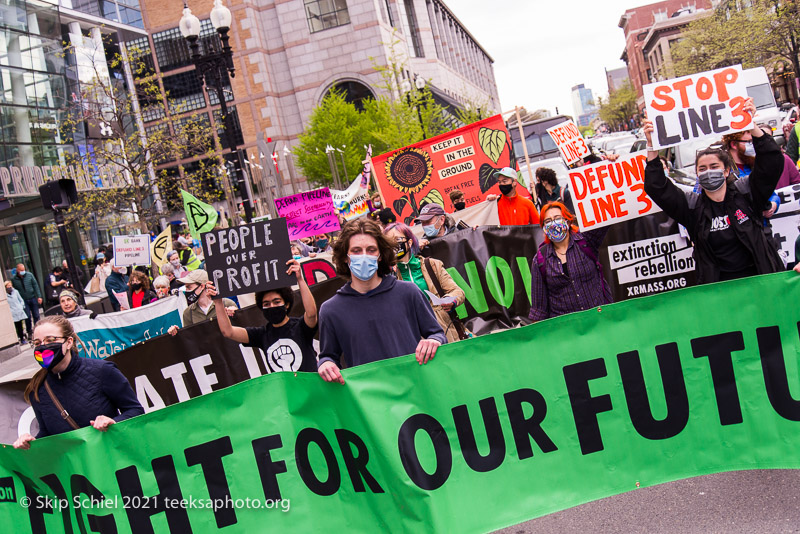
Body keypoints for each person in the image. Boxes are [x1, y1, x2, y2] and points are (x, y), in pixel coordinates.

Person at [642, 98, 785, 283]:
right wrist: (652, 146)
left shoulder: (747, 194)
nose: (708, 172)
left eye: (714, 166)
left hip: (760, 284)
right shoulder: (692, 208)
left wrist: (752, 126)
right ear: (697, 174)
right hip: (719, 295)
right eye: (702, 169)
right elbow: (657, 187)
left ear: (726, 171)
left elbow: (771, 163)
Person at [317, 218, 446, 385]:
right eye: (356, 251)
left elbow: (437, 333)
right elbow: (328, 356)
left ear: (380, 255)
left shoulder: (409, 293)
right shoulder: (331, 310)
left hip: (417, 392)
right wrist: (325, 363)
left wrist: (434, 341)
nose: (364, 256)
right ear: (345, 257)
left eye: (371, 250)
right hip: (370, 402)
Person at [13, 315, 144, 448]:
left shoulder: (103, 371)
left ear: (69, 342)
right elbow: (47, 433)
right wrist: (31, 442)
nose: (43, 347)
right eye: (37, 343)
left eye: (50, 340)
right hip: (75, 467)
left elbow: (135, 410)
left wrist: (114, 422)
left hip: (111, 458)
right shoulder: (37, 388)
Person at [211, 259, 319, 373]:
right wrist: (218, 302)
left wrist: (300, 279)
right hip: (284, 390)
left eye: (276, 302)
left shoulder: (300, 327)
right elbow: (228, 332)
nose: (272, 306)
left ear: (286, 304)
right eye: (266, 304)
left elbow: (311, 314)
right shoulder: (262, 334)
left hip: (310, 387)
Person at [528, 202, 612, 322]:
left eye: (557, 218)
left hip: (599, 320)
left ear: (567, 221)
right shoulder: (540, 260)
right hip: (567, 330)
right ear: (543, 228)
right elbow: (539, 309)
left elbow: (605, 218)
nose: (553, 224)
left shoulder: (586, 241)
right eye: (548, 221)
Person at [384, 223, 466, 343]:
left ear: (410, 242)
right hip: (412, 337)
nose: (394, 245)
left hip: (444, 331)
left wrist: (449, 300)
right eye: (389, 242)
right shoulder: (388, 276)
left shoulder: (432, 265)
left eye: (397, 239)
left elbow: (458, 292)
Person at [168, 270, 236, 335]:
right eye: (186, 288)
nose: (186, 291)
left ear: (202, 286)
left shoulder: (226, 304)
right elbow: (189, 338)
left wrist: (236, 314)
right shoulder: (188, 313)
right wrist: (176, 332)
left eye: (189, 287)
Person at [12, 263, 41, 333]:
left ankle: (37, 329)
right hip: (23, 300)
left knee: (36, 315)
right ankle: (29, 331)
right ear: (17, 270)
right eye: (21, 270)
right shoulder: (14, 279)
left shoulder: (29, 275)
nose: (23, 271)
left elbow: (35, 285)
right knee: (27, 317)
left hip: (32, 297)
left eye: (23, 270)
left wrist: (39, 296)